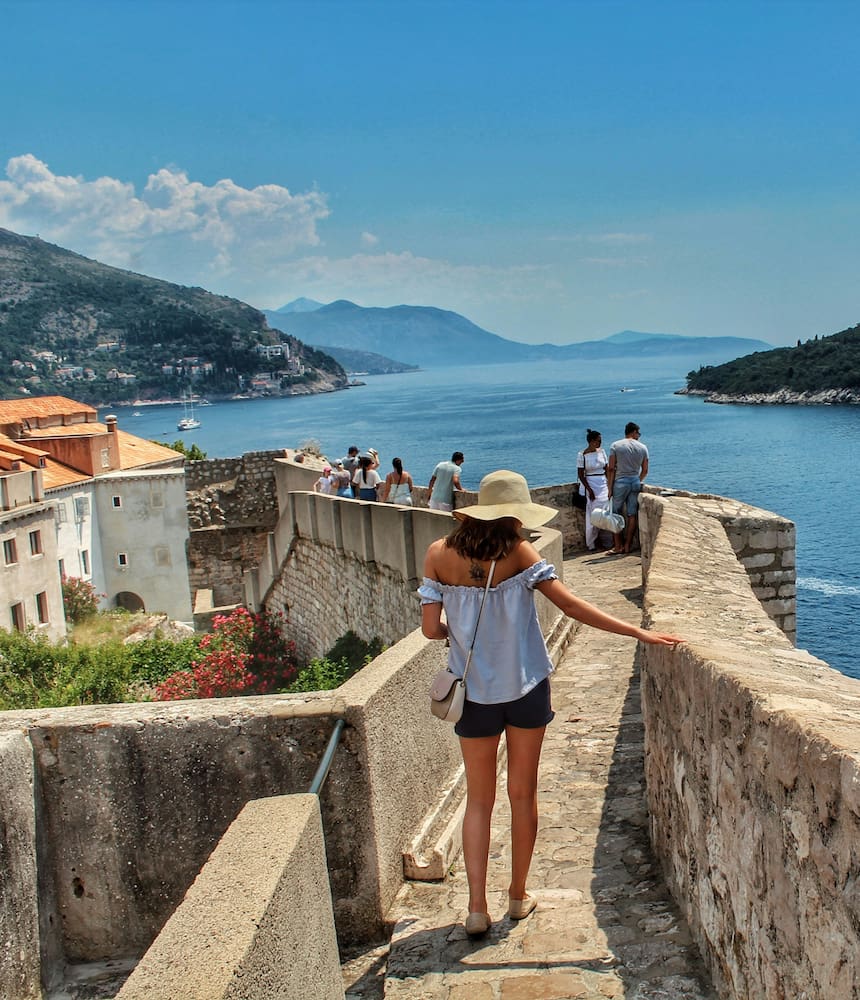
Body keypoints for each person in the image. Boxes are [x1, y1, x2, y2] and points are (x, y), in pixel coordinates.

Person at [418, 470, 682, 938]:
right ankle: (517, 897)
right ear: (516, 515)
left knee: (479, 800)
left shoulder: (439, 554)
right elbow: (572, 606)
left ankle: (476, 908)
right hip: (525, 688)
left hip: (472, 693)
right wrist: (637, 631)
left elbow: (429, 629)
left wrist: (455, 632)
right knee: (523, 794)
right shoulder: (519, 553)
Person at [606, 422, 649, 554]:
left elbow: (611, 468)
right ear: (634, 432)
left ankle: (618, 546)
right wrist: (637, 480)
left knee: (615, 514)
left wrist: (609, 487)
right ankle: (628, 545)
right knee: (632, 515)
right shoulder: (643, 447)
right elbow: (645, 470)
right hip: (635, 481)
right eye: (638, 433)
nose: (639, 436)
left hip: (620, 482)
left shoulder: (615, 446)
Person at [577, 429, 609, 552]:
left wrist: (610, 485)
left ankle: (607, 540)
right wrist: (589, 490)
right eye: (598, 441)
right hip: (590, 483)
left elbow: (606, 469)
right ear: (591, 441)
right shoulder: (582, 455)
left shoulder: (602, 452)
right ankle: (592, 542)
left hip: (602, 484)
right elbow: (580, 474)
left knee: (605, 513)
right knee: (592, 514)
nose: (600, 443)